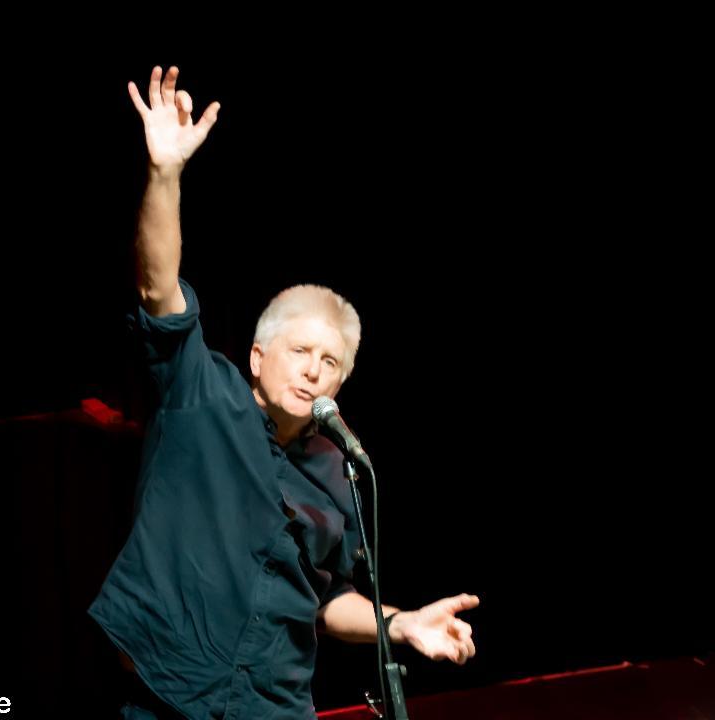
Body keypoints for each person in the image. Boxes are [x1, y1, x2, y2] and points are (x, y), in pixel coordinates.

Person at [89, 65, 478, 720]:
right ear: (258, 356)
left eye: (330, 362)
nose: (313, 370)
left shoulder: (336, 468)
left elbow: (330, 602)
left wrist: (400, 622)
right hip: (168, 693)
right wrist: (165, 173)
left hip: (273, 704)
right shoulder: (201, 390)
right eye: (300, 352)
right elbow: (158, 286)